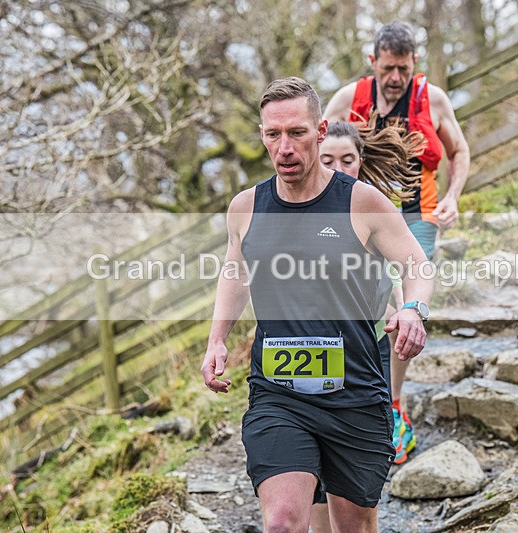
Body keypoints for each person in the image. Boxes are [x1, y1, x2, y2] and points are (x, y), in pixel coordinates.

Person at [201, 77, 434, 533]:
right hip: (278, 393)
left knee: (353, 528)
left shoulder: (361, 202)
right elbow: (235, 274)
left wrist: (413, 310)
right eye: (273, 135)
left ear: (321, 131)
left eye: (297, 133)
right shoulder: (246, 207)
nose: (284, 147)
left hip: (354, 392)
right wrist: (216, 340)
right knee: (284, 523)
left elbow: (416, 263)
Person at [324, 19, 470, 464]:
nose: (395, 78)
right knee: (362, 295)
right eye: (388, 68)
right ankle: (348, 390)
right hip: (359, 213)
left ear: (413, 64)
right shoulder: (351, 99)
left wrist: (452, 196)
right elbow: (318, 148)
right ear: (373, 61)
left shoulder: (432, 98)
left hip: (418, 212)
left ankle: (392, 402)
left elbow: (459, 151)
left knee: (409, 303)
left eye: (403, 69)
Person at [310, 120, 424, 533]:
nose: (339, 168)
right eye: (328, 159)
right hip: (309, 352)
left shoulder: (370, 208)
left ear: (361, 161)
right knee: (314, 477)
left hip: (365, 348)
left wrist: (405, 310)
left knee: (357, 488)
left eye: (348, 159)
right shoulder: (295, 206)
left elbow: (398, 272)